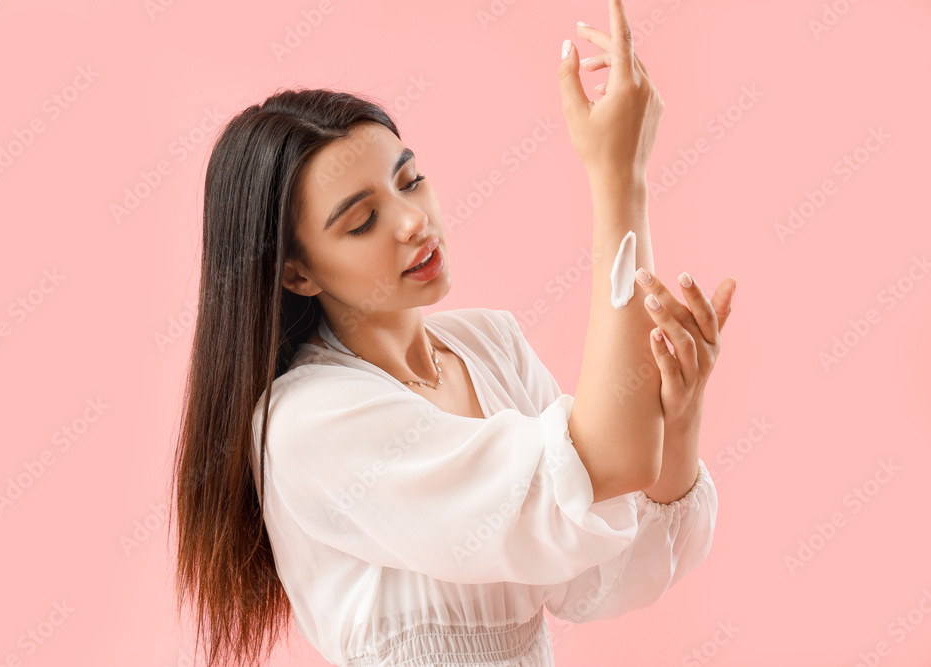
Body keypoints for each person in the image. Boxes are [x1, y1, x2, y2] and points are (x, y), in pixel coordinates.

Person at [170, 2, 737, 665]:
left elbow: (595, 578)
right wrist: (619, 177)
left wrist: (680, 408)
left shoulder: (491, 346)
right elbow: (599, 466)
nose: (413, 221)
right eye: (362, 221)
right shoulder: (307, 422)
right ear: (296, 272)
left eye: (411, 180)